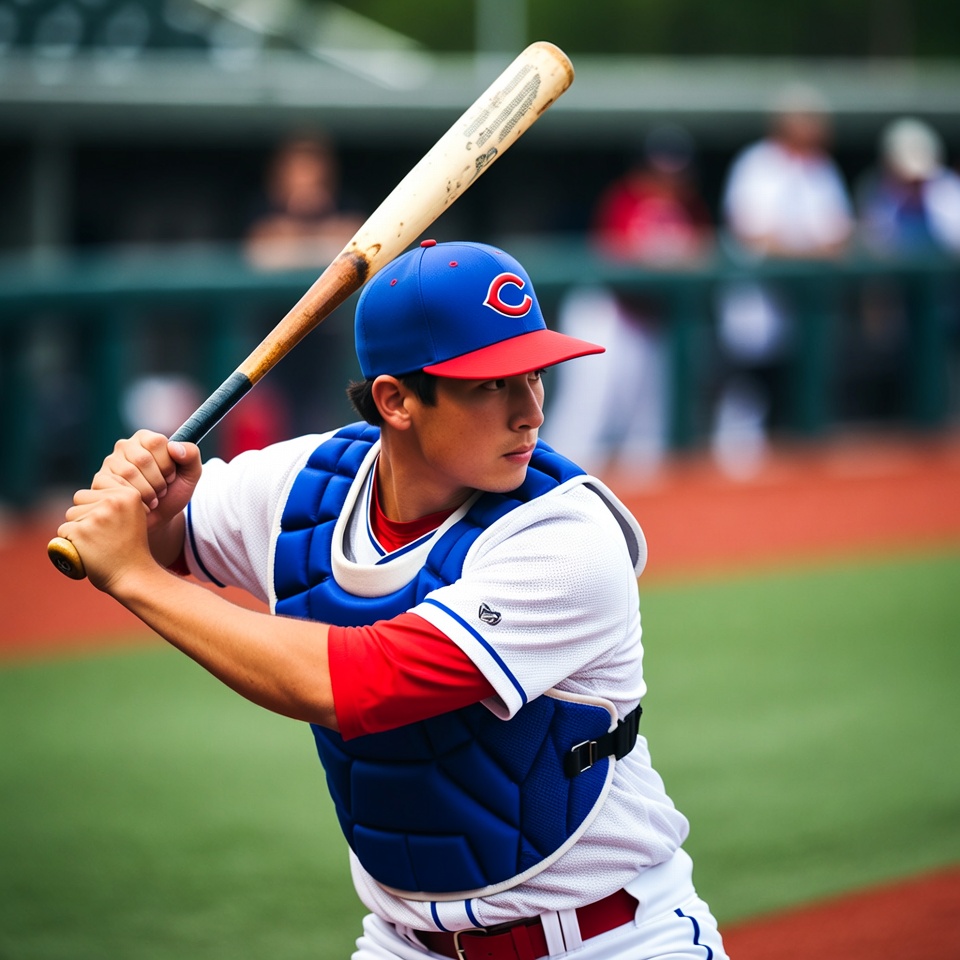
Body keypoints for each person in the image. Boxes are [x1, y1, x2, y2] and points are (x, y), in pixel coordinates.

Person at [57, 239, 729, 960]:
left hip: (611, 938)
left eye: (534, 375)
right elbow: (167, 535)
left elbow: (353, 683)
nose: (531, 412)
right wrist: (148, 509)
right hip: (405, 943)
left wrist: (135, 577)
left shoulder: (568, 538)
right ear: (396, 400)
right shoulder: (303, 487)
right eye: (491, 385)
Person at [541, 125, 712, 479]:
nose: (669, 179)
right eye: (661, 169)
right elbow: (620, 255)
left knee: (649, 422)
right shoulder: (625, 198)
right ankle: (552, 482)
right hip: (606, 311)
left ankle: (643, 498)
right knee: (589, 406)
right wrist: (672, 260)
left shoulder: (690, 207)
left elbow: (704, 253)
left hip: (653, 320)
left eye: (676, 171)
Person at [713, 86, 854, 475]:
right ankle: (730, 467)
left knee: (802, 388)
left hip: (807, 302)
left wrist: (806, 248)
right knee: (746, 383)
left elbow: (839, 235)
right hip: (756, 296)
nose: (816, 129)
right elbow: (753, 235)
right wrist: (809, 249)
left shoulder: (821, 169)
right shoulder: (757, 163)